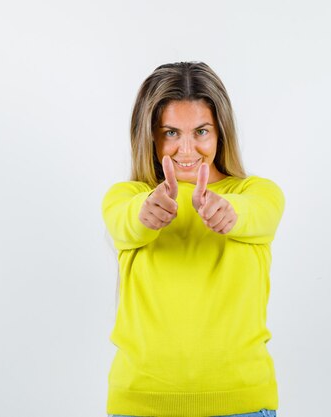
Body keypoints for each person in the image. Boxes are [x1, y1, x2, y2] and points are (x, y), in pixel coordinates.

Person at [102, 61, 285, 417]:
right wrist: (147, 212)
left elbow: (257, 212)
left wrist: (229, 212)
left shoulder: (257, 193)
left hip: (240, 405)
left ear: (221, 133)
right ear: (149, 135)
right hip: (140, 405)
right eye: (171, 133)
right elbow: (125, 220)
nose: (186, 150)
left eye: (201, 132)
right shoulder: (125, 197)